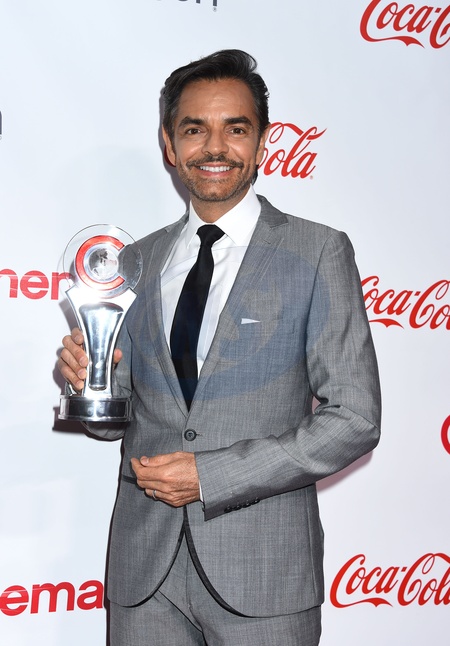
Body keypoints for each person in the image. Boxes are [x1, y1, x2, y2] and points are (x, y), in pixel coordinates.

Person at [58, 49, 381, 646]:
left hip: (264, 574)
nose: (214, 147)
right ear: (169, 144)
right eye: (194, 129)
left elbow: (354, 419)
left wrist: (212, 476)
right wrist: (89, 382)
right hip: (143, 574)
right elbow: (115, 422)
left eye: (235, 128)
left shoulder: (317, 252)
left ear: (262, 142)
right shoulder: (136, 260)